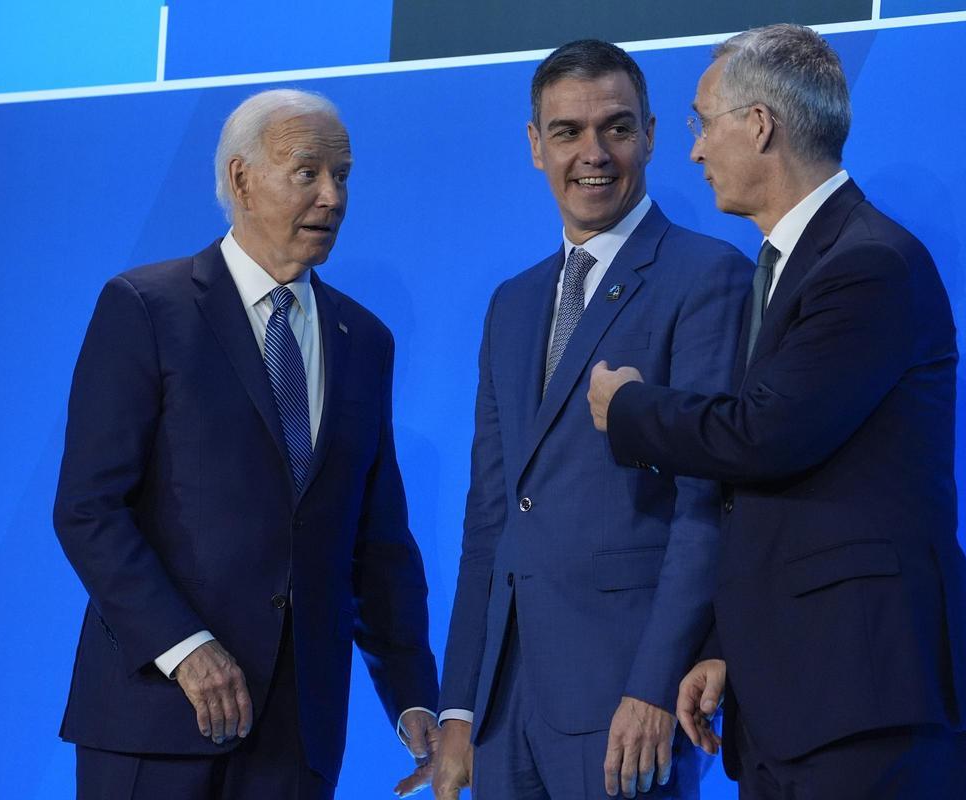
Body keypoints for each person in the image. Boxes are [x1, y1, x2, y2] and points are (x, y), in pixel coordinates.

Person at [588, 24, 966, 799]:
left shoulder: (867, 264)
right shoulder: (790, 266)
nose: (696, 150)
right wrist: (724, 644)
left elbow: (766, 436)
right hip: (797, 699)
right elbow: (784, 501)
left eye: (704, 122)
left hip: (864, 700)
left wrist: (631, 409)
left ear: (760, 124)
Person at [53, 88, 439, 800]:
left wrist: (414, 694)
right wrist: (186, 648)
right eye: (308, 173)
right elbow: (88, 508)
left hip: (296, 739)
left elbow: (378, 541)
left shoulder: (365, 341)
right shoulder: (146, 308)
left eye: (344, 175)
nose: (333, 196)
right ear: (241, 179)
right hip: (157, 720)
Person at [432, 39, 751, 800]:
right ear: (535, 146)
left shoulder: (709, 278)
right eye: (568, 132)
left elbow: (707, 505)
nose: (594, 154)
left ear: (650, 133)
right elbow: (491, 515)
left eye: (616, 127)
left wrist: (653, 683)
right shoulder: (512, 303)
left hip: (626, 704)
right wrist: (459, 705)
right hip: (507, 711)